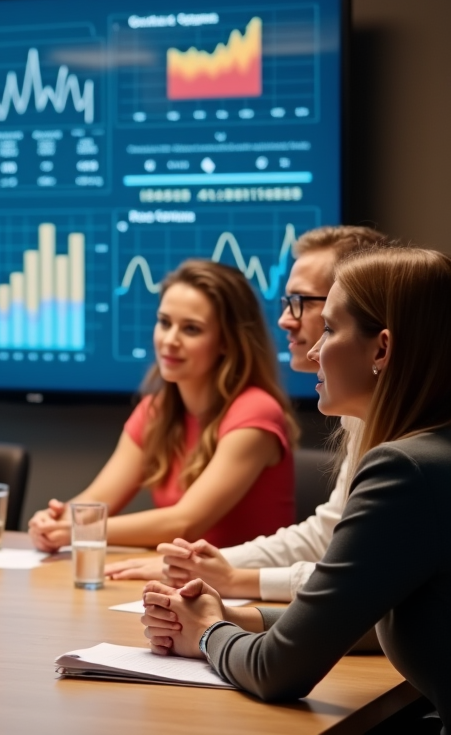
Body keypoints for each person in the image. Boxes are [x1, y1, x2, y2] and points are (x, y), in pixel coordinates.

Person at [142, 247, 450, 732]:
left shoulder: (405, 470)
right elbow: (373, 609)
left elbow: (276, 672)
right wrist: (242, 619)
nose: (311, 350)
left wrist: (207, 633)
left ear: (382, 349)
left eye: (328, 328)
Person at [106, 226, 389, 598]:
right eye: (287, 302)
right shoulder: (358, 412)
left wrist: (233, 582)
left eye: (303, 302)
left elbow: (367, 576)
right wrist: (216, 570)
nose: (285, 320)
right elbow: (329, 536)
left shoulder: (410, 439)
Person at [29, 259, 297, 552]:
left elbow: (184, 523)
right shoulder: (155, 409)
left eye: (191, 329)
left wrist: (76, 528)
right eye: (165, 322)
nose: (169, 340)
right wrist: (55, 519)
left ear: (226, 342)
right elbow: (96, 502)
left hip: (245, 592)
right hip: (178, 582)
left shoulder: (256, 411)